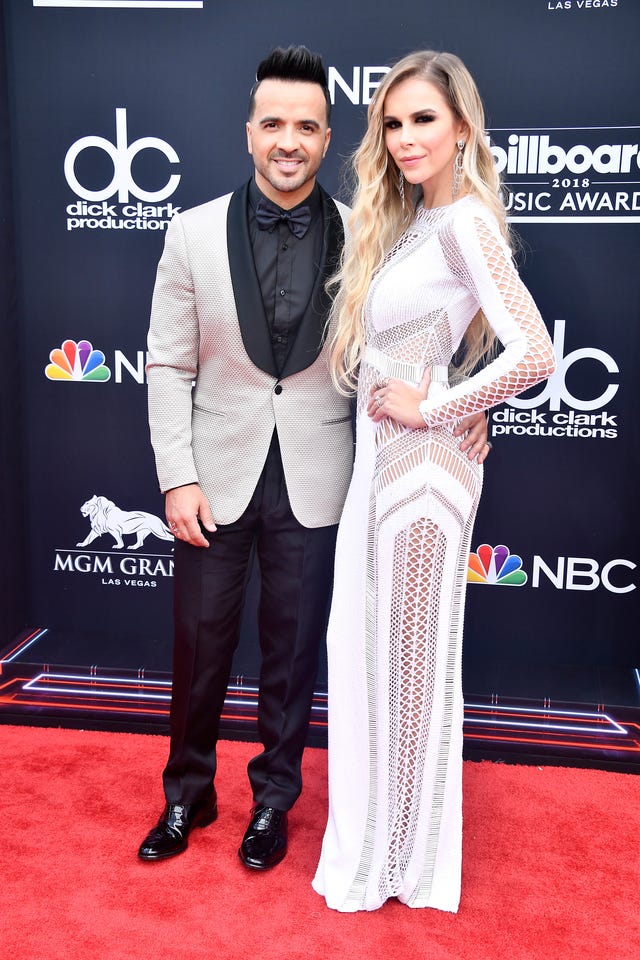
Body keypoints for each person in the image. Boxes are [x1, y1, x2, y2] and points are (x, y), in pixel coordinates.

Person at [139, 46, 490, 871]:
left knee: (294, 660)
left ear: (328, 135)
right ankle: (186, 796)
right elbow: (167, 361)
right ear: (249, 133)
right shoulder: (188, 232)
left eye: (306, 125)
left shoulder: (374, 239)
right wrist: (176, 474)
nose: (287, 140)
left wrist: (467, 412)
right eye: (273, 124)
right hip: (214, 475)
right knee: (200, 651)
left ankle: (273, 804)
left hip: (324, 478)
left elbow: (425, 342)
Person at [312, 50, 556, 912]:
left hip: (422, 476)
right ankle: (383, 849)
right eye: (394, 120)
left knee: (407, 668)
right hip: (381, 469)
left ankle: (401, 865)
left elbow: (535, 352)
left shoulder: (466, 223)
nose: (407, 136)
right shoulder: (416, 220)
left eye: (425, 118)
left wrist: (442, 405)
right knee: (371, 659)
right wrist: (449, 401)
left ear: (462, 128)